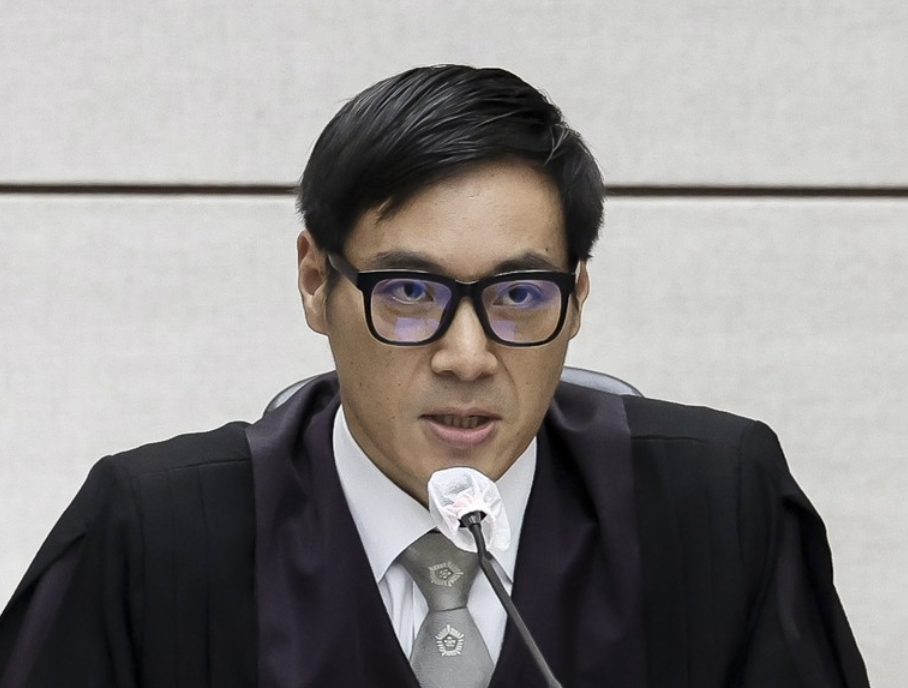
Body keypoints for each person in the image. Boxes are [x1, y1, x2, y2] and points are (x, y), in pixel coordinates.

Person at [0, 65, 869, 688]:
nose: (466, 357)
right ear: (316, 282)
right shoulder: (150, 536)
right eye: (410, 293)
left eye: (520, 295)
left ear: (577, 298)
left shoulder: (720, 511)